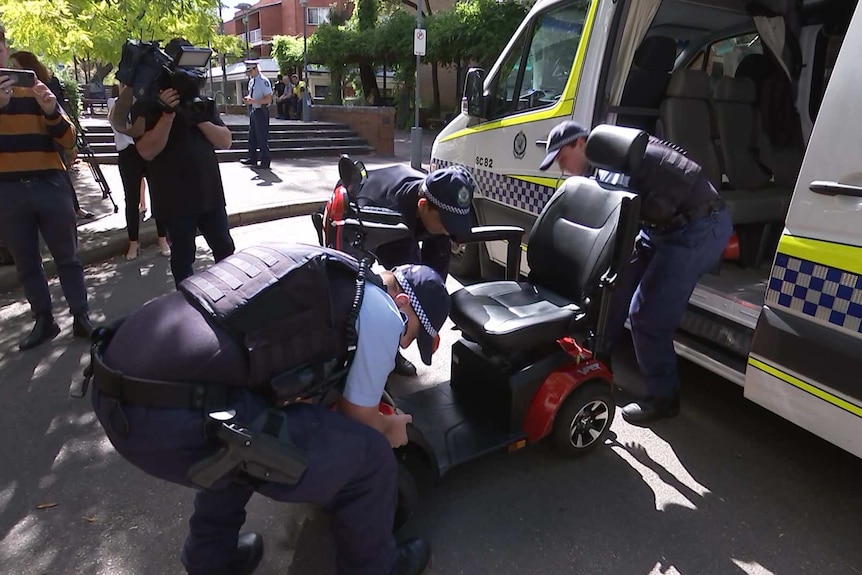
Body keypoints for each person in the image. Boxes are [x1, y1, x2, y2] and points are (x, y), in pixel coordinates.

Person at [89, 243, 444, 575]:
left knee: (242, 438)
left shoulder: (331, 268)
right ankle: (377, 567)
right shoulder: (383, 313)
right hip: (164, 413)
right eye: (411, 335)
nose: (404, 343)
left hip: (116, 380)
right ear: (401, 304)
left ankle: (211, 559)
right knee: (371, 459)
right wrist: (392, 429)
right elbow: (359, 418)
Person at [539, 120, 733, 424]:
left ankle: (664, 398)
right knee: (611, 288)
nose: (563, 168)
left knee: (646, 315)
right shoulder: (609, 163)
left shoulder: (621, 161)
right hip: (662, 227)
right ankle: (598, 361)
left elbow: (617, 229)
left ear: (580, 143)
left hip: (696, 228)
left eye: (562, 158)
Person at [113, 38, 236, 288]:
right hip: (175, 199)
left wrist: (196, 117)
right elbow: (146, 151)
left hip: (209, 194)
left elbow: (225, 141)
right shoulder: (148, 105)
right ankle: (188, 307)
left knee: (225, 249)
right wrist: (168, 115)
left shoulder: (200, 102)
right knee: (183, 258)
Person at [0, 24, 93, 350]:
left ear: (6, 48)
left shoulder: (34, 86)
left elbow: (68, 140)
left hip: (50, 182)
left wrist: (51, 109)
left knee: (67, 256)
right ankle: (44, 319)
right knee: (26, 262)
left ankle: (81, 315)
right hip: (7, 190)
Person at [348, 164, 475, 377]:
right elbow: (401, 288)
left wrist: (434, 315)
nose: (450, 230)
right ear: (423, 205)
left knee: (430, 279)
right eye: (446, 223)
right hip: (361, 225)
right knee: (394, 294)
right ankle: (384, 353)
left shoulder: (439, 198)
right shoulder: (386, 213)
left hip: (413, 220)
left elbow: (433, 281)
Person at [9, 50, 94, 220]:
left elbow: (60, 111)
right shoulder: (10, 91)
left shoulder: (48, 83)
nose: (13, 72)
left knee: (61, 173)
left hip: (52, 136)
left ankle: (74, 207)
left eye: (16, 67)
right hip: (27, 145)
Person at [107, 84, 170, 260]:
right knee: (131, 198)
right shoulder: (115, 104)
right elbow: (119, 125)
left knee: (158, 194)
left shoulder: (147, 101)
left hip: (149, 150)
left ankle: (162, 238)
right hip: (128, 153)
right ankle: (133, 241)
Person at [240, 61, 272, 169]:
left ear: (255, 69)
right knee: (252, 136)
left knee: (262, 137)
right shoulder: (252, 82)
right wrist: (248, 99)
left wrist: (253, 101)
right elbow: (252, 95)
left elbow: (268, 99)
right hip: (254, 111)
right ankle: (252, 158)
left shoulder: (263, 81)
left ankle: (265, 160)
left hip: (261, 111)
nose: (249, 74)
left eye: (250, 71)